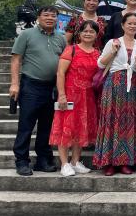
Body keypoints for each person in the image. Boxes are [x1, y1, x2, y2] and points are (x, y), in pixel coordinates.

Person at [11, 6, 66, 176]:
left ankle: (43, 160)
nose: (50, 18)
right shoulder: (26, 35)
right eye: (46, 15)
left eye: (53, 16)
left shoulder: (61, 38)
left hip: (51, 87)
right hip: (31, 86)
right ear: (38, 17)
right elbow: (16, 59)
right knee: (26, 125)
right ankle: (21, 161)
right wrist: (14, 84)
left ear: (57, 19)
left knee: (46, 126)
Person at [94, 12, 136, 176]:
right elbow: (100, 64)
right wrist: (112, 52)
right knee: (112, 120)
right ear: (123, 25)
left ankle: (125, 161)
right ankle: (109, 162)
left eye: (135, 23)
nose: (132, 26)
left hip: (133, 85)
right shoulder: (113, 42)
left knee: (129, 121)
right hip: (114, 84)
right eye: (129, 23)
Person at [50, 20, 100, 177]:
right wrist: (61, 95)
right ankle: (64, 163)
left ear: (96, 35)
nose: (88, 34)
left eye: (91, 31)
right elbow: (60, 73)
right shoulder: (71, 50)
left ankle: (75, 161)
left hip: (88, 96)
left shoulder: (97, 53)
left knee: (81, 128)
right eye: (85, 31)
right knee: (65, 128)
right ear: (79, 33)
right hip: (70, 94)